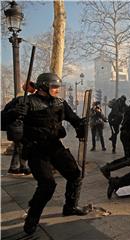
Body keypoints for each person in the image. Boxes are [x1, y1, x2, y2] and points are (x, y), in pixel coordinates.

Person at [4, 73, 88, 235]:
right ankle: (32, 219)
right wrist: (13, 113)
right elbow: (2, 121)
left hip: (55, 146)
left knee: (75, 175)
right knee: (47, 185)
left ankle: (70, 207)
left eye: (58, 87)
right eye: (54, 87)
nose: (57, 90)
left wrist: (81, 124)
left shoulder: (60, 103)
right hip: (36, 149)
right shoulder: (24, 102)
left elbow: (74, 119)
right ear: (43, 87)